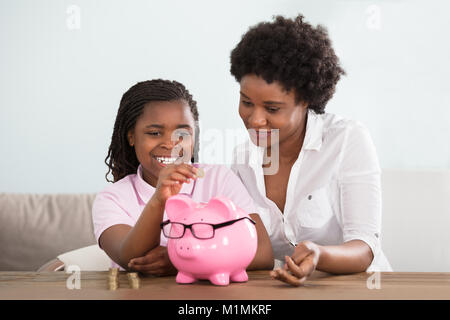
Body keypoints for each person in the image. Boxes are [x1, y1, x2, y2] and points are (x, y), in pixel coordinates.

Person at [229, 15, 392, 286]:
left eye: (272, 109)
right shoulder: (242, 161)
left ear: (305, 100)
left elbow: (365, 245)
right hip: (288, 290)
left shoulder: (346, 140)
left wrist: (320, 254)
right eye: (246, 102)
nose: (255, 119)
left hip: (360, 288)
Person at [92, 79, 273, 275]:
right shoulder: (112, 199)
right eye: (154, 132)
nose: (171, 144)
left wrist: (179, 260)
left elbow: (263, 253)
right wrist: (159, 199)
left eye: (182, 134)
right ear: (131, 137)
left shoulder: (218, 179)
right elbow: (130, 258)